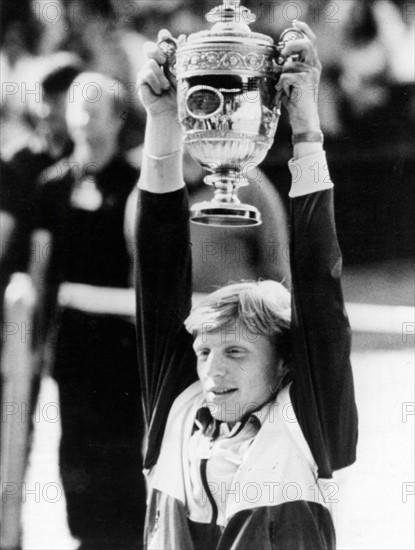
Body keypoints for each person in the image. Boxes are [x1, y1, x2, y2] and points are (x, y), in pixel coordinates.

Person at [135, 20, 358, 550]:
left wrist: (306, 129)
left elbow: (318, 283)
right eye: (205, 351)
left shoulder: (308, 427)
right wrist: (164, 120)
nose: (213, 371)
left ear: (284, 364)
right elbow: (157, 270)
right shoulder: (181, 408)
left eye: (235, 350)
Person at [30, 72, 146, 549]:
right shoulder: (51, 185)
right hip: (74, 349)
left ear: (119, 118)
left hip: (123, 351)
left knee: (124, 451)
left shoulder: (140, 184)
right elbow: (40, 273)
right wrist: (35, 344)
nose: (84, 116)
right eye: (78, 105)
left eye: (96, 107)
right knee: (74, 448)